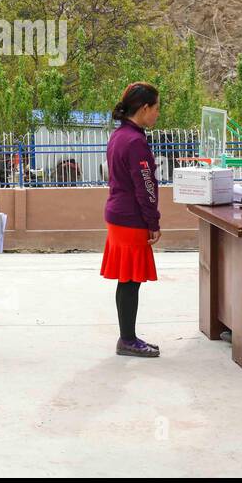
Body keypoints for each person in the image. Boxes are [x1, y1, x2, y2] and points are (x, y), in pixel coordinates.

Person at [102, 82, 161, 357]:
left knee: (126, 281)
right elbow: (146, 186)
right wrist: (153, 221)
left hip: (118, 215)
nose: (158, 114)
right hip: (131, 219)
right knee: (129, 281)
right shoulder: (136, 141)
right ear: (145, 107)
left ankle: (128, 336)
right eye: (156, 108)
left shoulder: (119, 135)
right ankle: (127, 339)